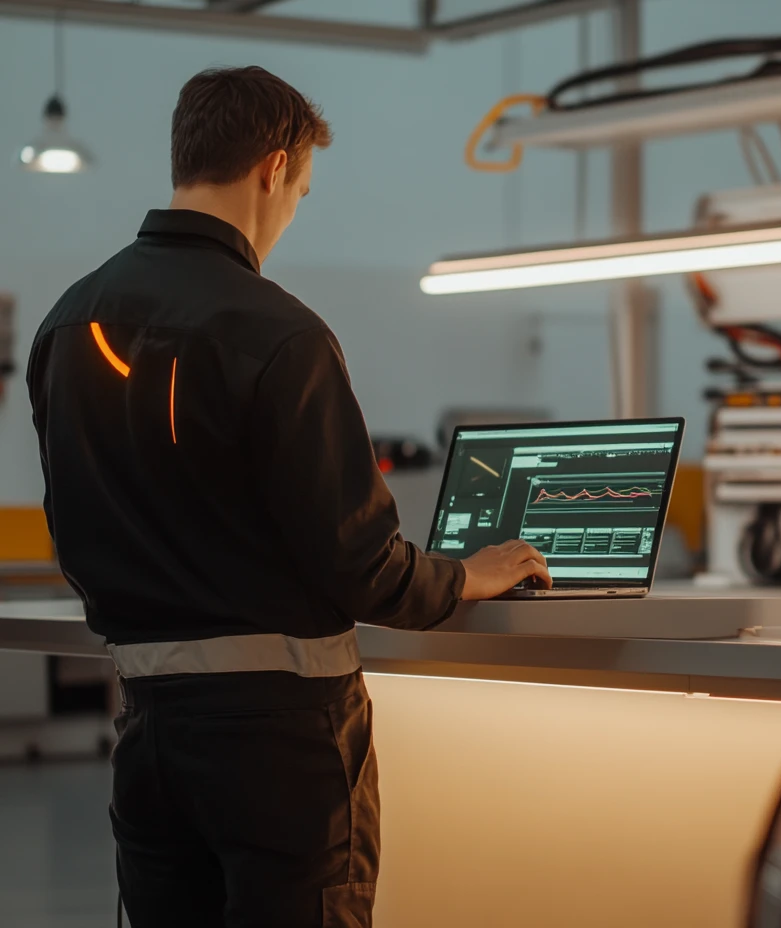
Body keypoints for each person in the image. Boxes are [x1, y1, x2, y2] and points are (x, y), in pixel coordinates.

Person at [26, 66, 551, 928]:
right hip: (283, 746)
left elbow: (77, 525)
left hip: (148, 737)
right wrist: (466, 576)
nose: (295, 207)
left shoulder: (68, 323)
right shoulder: (280, 332)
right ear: (274, 169)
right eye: (302, 189)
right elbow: (362, 569)